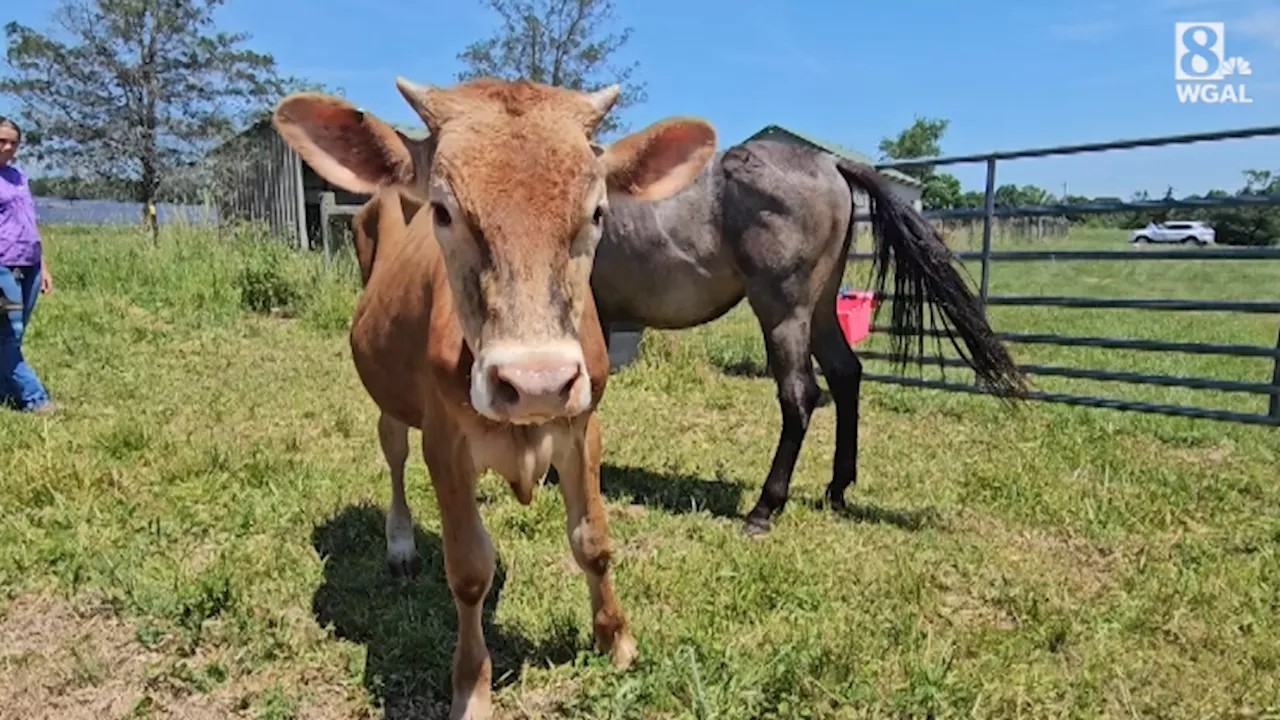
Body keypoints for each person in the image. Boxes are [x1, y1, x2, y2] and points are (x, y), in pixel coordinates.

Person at [0, 115, 55, 414]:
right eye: (2, 141)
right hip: (2, 267)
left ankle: (5, 390)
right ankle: (35, 398)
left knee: (15, 335)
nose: (8, 148)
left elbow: (29, 223)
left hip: (30, 265)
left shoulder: (18, 176)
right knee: (7, 332)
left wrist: (43, 266)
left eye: (14, 142)